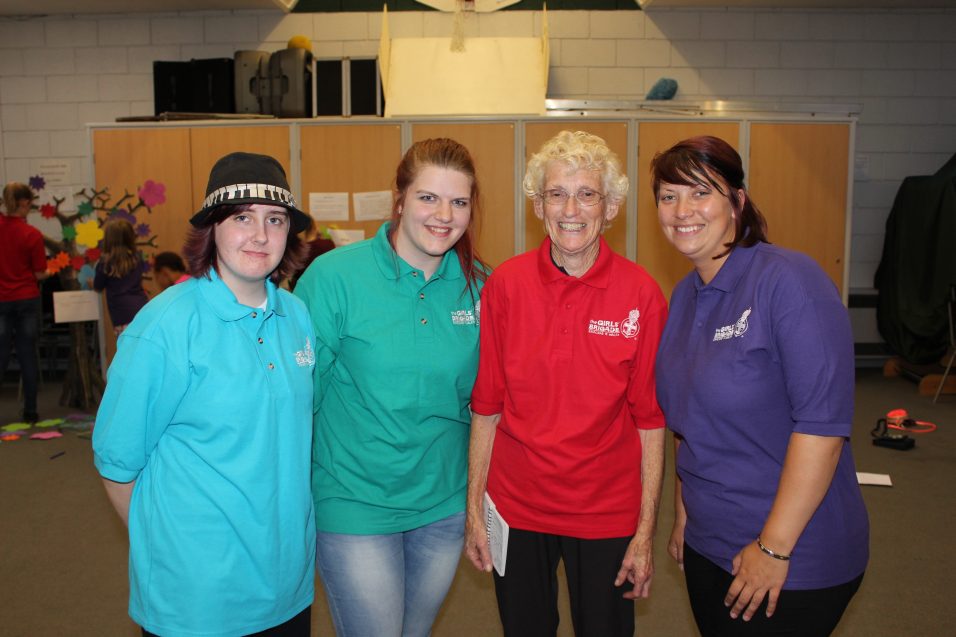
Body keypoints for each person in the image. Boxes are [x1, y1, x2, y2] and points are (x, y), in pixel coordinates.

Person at [92, 152, 317, 637]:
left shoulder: (297, 317)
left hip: (288, 588)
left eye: (274, 219)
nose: (260, 234)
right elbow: (117, 462)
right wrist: (175, 550)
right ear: (211, 229)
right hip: (199, 598)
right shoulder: (164, 326)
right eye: (241, 218)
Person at [651, 136, 868, 636]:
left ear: (737, 202)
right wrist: (684, 516)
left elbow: (823, 427)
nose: (683, 209)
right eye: (668, 195)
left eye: (701, 192)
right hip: (710, 541)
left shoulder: (789, 281)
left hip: (793, 555)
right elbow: (686, 425)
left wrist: (774, 546)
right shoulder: (685, 296)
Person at [465, 130, 668, 637]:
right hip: (517, 503)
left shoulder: (641, 293)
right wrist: (474, 510)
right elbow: (486, 406)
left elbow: (650, 422)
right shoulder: (505, 286)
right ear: (538, 205)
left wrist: (644, 532)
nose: (570, 208)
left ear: (612, 207)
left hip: (605, 510)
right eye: (556, 193)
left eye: (587, 193)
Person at [293, 138, 487, 637]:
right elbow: (299, 398)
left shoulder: (480, 286)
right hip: (354, 498)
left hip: (443, 502)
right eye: (428, 198)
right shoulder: (335, 276)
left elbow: (490, 400)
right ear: (399, 199)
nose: (444, 215)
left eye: (459, 202)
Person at [0, 182, 48, 423]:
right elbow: (39, 274)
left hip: (1, 299)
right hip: (26, 299)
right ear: (25, 202)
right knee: (27, 355)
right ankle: (31, 411)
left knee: (1, 355)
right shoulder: (32, 235)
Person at [93, 218, 149, 334]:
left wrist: (91, 282)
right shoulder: (137, 258)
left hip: (122, 315)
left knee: (127, 350)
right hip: (143, 309)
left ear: (107, 240)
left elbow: (98, 286)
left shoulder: (105, 263)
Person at [288, 221, 334, 290]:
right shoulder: (328, 243)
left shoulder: (298, 249)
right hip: (326, 286)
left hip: (305, 289)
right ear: (314, 227)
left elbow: (296, 275)